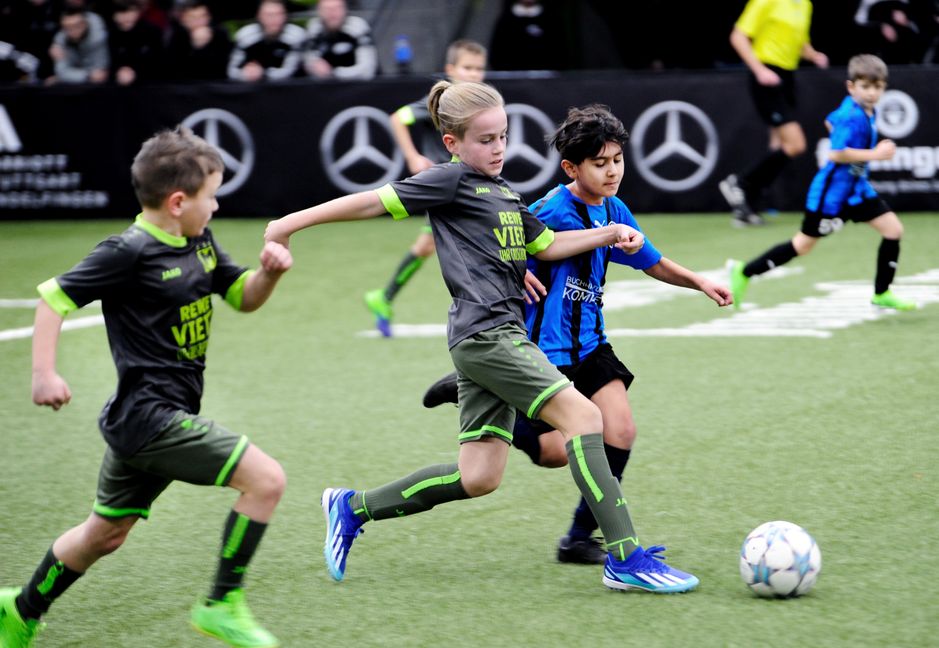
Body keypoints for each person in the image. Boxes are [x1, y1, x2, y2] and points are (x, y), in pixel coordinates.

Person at [265, 81, 701, 595]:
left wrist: (609, 234)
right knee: (586, 418)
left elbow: (549, 243)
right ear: (452, 144)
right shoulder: (449, 181)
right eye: (485, 140)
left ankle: (354, 507)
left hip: (487, 339)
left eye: (503, 137)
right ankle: (625, 558)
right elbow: (370, 203)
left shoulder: (504, 193)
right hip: (490, 336)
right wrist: (286, 225)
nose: (498, 149)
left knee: (479, 478)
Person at [0, 127, 292, 648]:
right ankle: (221, 604)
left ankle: (20, 609)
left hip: (148, 420)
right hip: (150, 417)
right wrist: (44, 373)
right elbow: (54, 299)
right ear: (178, 202)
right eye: (212, 195)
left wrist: (268, 274)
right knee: (265, 481)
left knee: (103, 534)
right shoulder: (127, 251)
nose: (218, 205)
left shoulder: (197, 239)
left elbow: (243, 297)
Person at [421, 104, 733, 564]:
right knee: (553, 454)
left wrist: (700, 281)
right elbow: (507, 248)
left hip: (591, 346)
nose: (612, 172)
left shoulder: (615, 208)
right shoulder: (550, 209)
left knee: (620, 429)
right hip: (541, 350)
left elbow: (652, 259)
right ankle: (483, 388)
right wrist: (517, 272)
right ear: (572, 167)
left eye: (617, 161)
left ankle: (577, 539)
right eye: (600, 163)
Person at [729, 54, 916, 312]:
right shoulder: (852, 115)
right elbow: (836, 153)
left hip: (857, 192)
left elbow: (830, 120)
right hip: (831, 196)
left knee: (893, 230)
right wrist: (875, 155)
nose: (872, 93)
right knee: (802, 246)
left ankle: (882, 293)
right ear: (852, 87)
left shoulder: (862, 109)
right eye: (865, 86)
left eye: (877, 87)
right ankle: (744, 272)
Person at [363, 39, 487, 337]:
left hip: (464, 187)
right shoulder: (443, 100)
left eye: (479, 69)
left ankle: (384, 297)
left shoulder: (478, 101)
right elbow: (398, 118)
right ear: (450, 70)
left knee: (428, 246)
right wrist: (413, 157)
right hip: (447, 188)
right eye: (467, 68)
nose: (474, 74)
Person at [719, 0, 829, 227]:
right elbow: (738, 37)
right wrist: (759, 70)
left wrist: (813, 55)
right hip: (766, 74)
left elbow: (799, 41)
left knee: (778, 146)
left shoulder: (805, 4)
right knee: (795, 144)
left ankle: (746, 206)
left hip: (787, 78)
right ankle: (739, 183)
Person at [227, 0, 306, 82]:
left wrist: (263, 73)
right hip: (251, 89)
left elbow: (290, 71)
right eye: (269, 15)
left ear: (286, 15)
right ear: (259, 16)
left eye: (279, 14)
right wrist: (245, 74)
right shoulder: (245, 35)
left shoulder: (296, 36)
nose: (274, 19)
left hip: (287, 88)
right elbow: (232, 71)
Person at [304, 0, 377, 80]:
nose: (332, 13)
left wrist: (333, 73)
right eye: (327, 9)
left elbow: (367, 71)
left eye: (337, 8)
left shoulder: (357, 27)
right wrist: (313, 66)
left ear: (346, 9)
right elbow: (308, 61)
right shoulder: (314, 28)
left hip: (360, 87)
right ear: (319, 11)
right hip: (325, 88)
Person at [164, 0, 233, 82]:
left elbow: (223, 67)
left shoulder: (220, 34)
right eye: (193, 17)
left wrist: (204, 47)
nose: (199, 22)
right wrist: (196, 46)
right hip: (183, 86)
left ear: (209, 17)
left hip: (215, 85)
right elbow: (172, 70)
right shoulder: (176, 36)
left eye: (203, 16)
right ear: (183, 20)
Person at [47, 6, 110, 85]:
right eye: (68, 28)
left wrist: (67, 77)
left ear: (85, 24)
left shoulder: (98, 36)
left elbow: (100, 75)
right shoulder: (60, 41)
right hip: (78, 82)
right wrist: (88, 75)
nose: (73, 31)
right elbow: (62, 73)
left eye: (76, 26)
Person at [108, 0, 163, 85]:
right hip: (118, 81)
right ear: (114, 16)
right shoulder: (112, 34)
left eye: (131, 12)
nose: (126, 17)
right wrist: (119, 71)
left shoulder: (152, 31)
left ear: (138, 13)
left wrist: (135, 72)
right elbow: (110, 61)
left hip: (149, 82)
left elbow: (159, 62)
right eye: (122, 13)